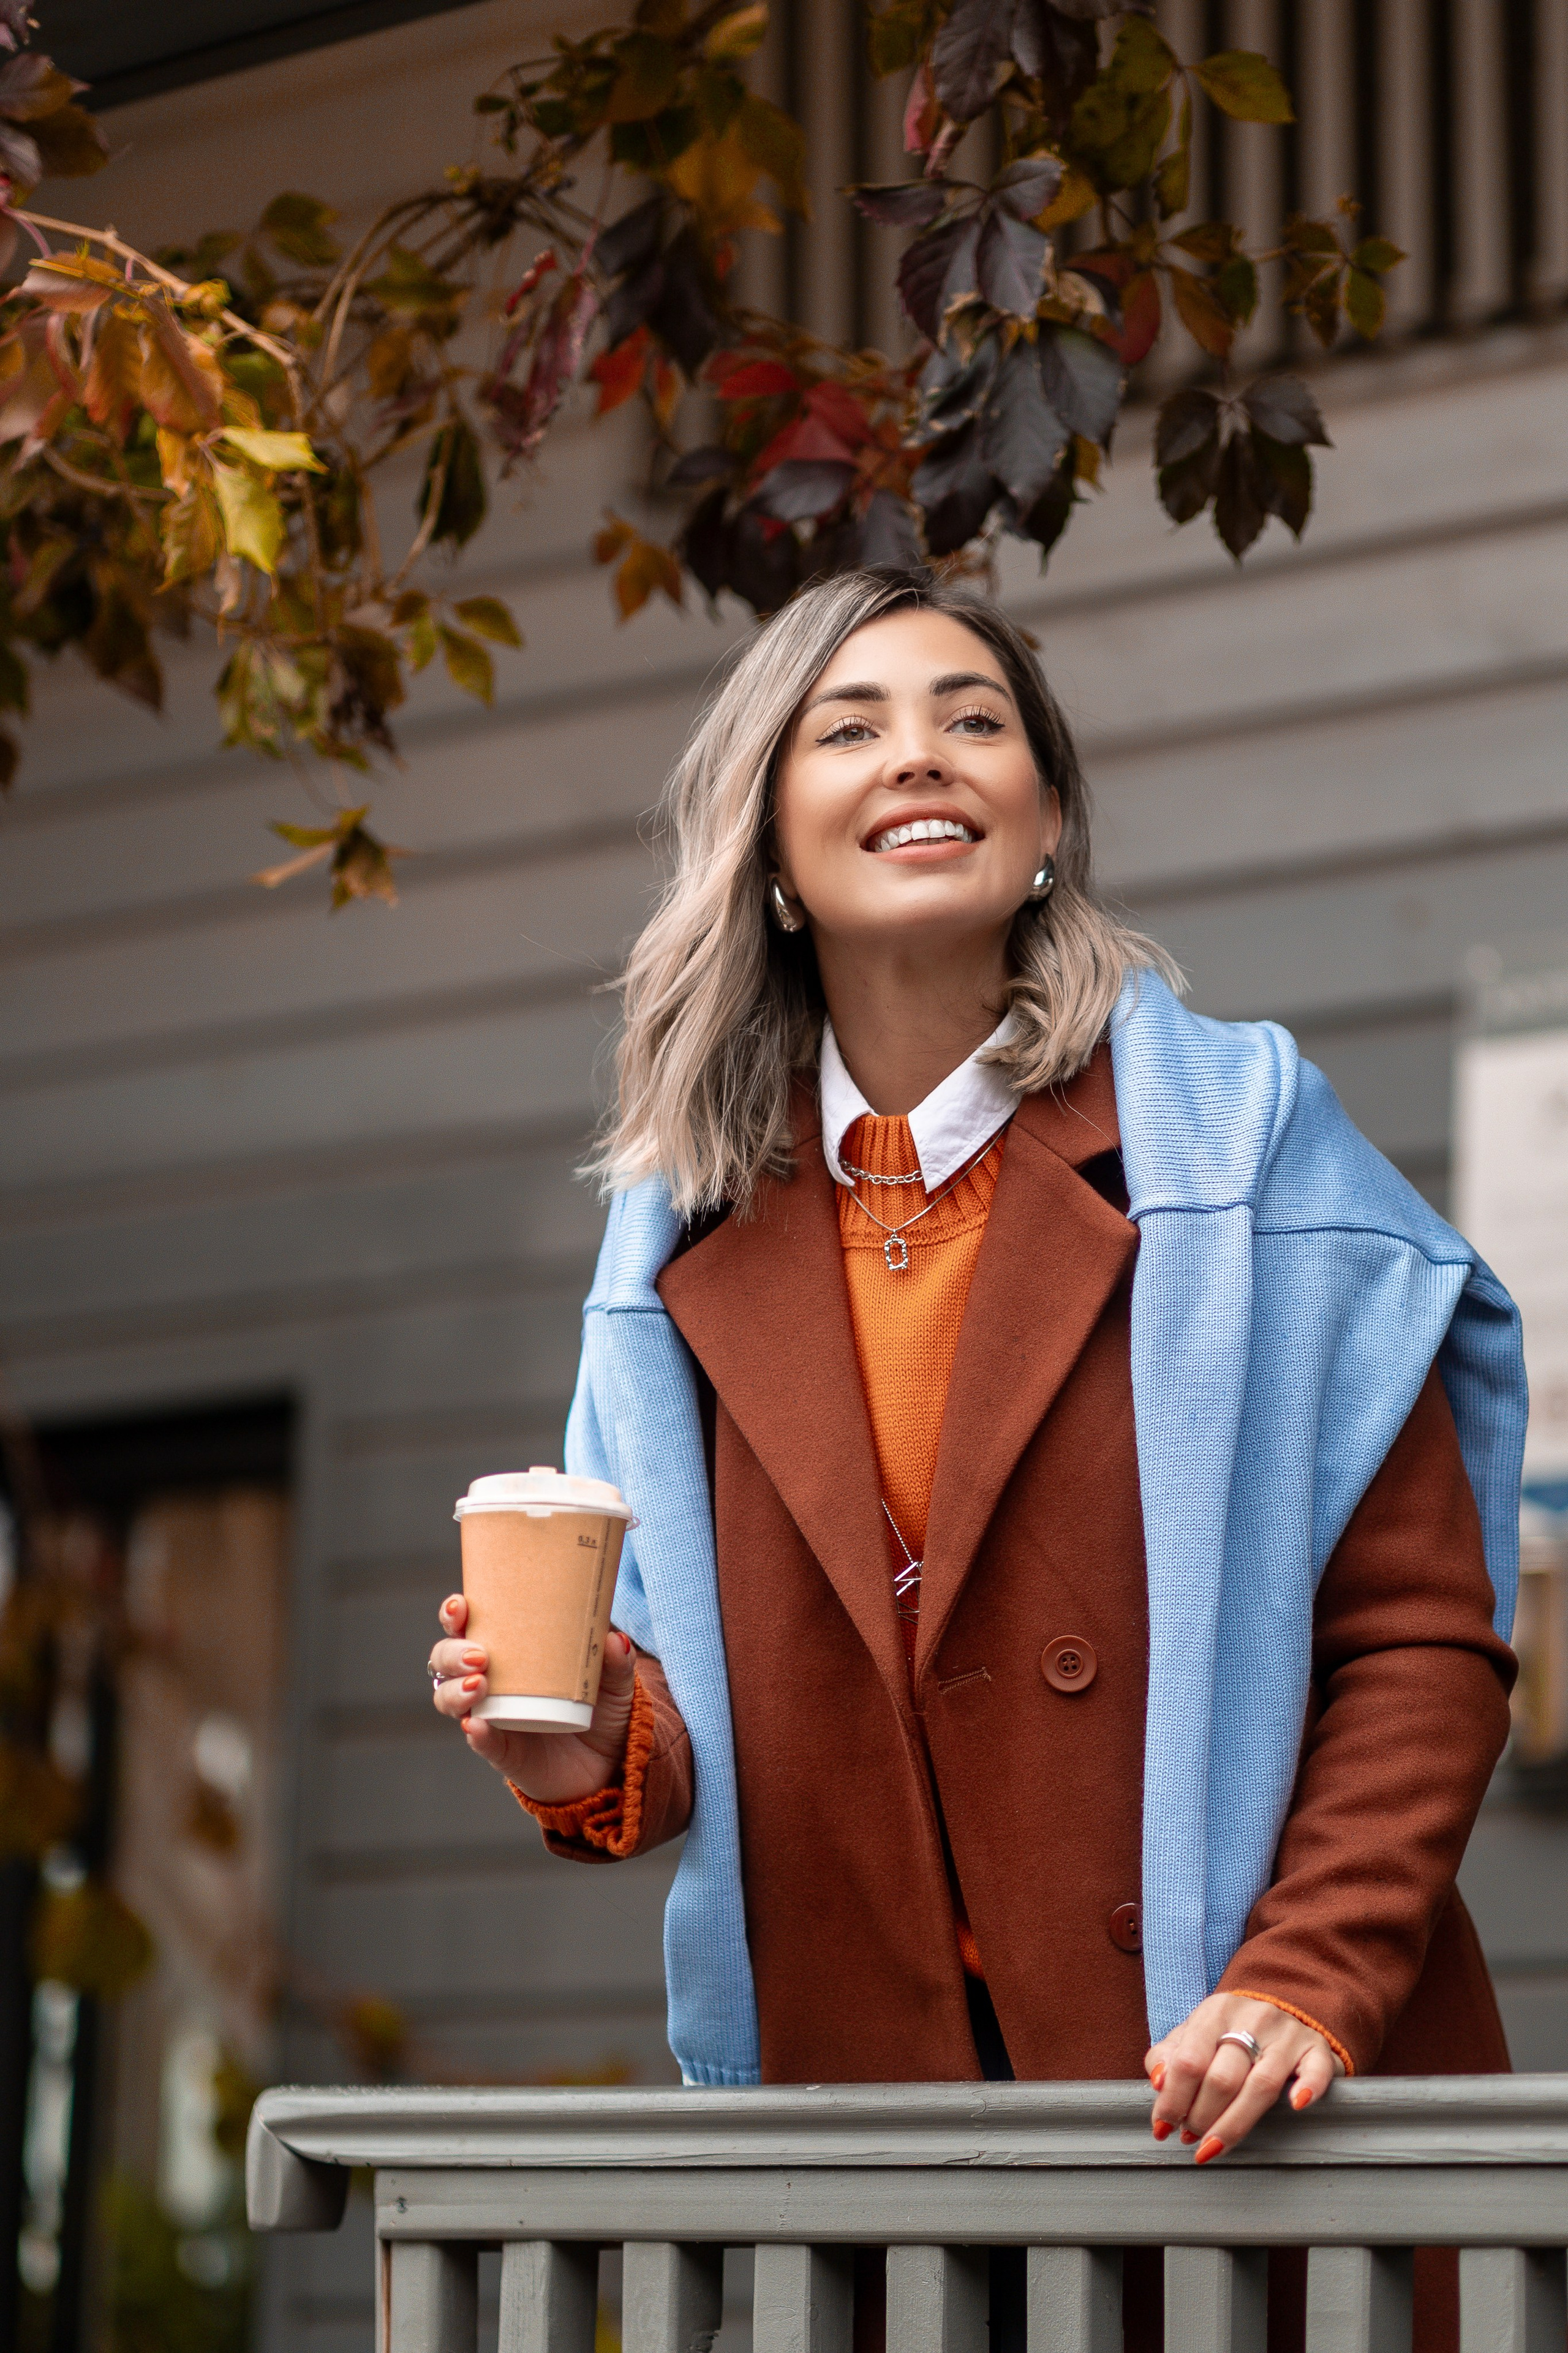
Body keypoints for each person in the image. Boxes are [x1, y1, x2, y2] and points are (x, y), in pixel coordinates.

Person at [428, 567, 1524, 2352]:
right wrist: (567, 1741)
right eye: (848, 726)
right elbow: (669, 1722)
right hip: (875, 2187)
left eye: (974, 717)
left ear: (1047, 821)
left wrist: (1305, 1978)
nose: (919, 754)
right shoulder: (676, 1246)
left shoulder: (1248, 1155)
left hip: (1250, 2142)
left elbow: (1420, 1639)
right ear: (774, 850)